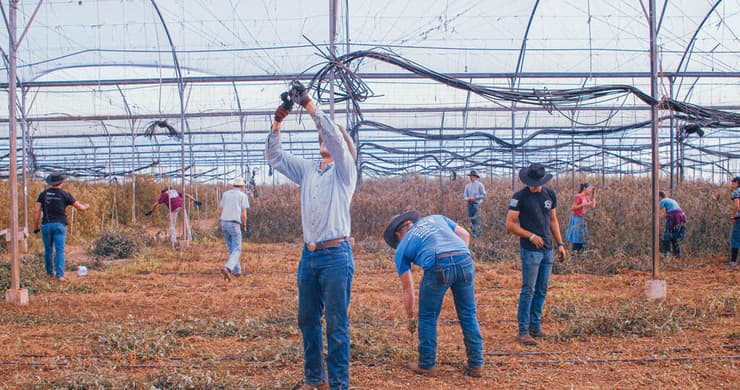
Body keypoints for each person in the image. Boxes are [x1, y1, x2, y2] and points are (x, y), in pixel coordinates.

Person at [265, 81, 357, 390]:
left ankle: (339, 385)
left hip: (335, 256)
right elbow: (275, 158)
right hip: (310, 255)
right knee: (307, 320)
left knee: (336, 326)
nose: (324, 139)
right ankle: (314, 379)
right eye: (320, 137)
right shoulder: (307, 170)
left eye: (328, 138)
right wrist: (278, 121)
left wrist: (310, 105)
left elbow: (335, 137)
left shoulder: (344, 171)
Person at [383, 210, 484, 378]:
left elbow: (407, 288)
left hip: (438, 263)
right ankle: (476, 364)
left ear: (398, 234)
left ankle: (427, 364)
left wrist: (410, 317)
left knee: (428, 316)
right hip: (464, 259)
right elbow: (464, 234)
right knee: (468, 313)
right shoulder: (436, 218)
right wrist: (457, 258)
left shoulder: (402, 247)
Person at [505, 163, 567, 346]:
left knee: (541, 289)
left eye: (536, 182)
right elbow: (510, 224)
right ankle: (523, 330)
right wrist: (530, 236)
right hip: (531, 250)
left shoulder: (549, 195)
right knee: (528, 289)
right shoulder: (520, 197)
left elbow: (553, 220)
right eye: (530, 182)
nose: (533, 185)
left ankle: (535, 326)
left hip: (547, 249)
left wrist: (560, 243)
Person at [32, 171, 90, 281]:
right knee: (59, 251)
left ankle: (49, 274)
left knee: (48, 250)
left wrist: (36, 227)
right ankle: (60, 276)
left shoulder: (43, 194)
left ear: (50, 182)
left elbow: (36, 211)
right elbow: (80, 208)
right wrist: (87, 206)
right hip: (59, 225)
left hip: (46, 225)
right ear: (61, 182)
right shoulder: (65, 194)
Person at [219, 177, 250, 280]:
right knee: (237, 249)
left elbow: (222, 209)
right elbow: (244, 214)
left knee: (232, 249)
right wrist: (244, 225)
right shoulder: (242, 196)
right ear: (242, 186)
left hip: (224, 222)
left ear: (233, 185)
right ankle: (228, 268)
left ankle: (237, 271)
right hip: (234, 223)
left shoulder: (225, 194)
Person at [565, 183, 596, 255]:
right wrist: (583, 205)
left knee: (582, 238)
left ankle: (579, 256)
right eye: (590, 189)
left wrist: (594, 195)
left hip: (583, 219)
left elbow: (593, 206)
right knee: (577, 238)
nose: (590, 190)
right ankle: (574, 256)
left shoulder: (586, 197)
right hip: (576, 219)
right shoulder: (578, 196)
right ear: (585, 188)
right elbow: (573, 208)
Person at [658, 191, 686, 258]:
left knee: (666, 234)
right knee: (675, 235)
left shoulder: (662, 201)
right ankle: (677, 254)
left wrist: (665, 219)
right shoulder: (672, 200)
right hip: (681, 216)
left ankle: (667, 254)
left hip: (673, 216)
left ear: (659, 196)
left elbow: (665, 213)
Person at [463, 170, 486, 238]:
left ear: (476, 177)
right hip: (470, 204)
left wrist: (476, 198)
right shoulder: (467, 186)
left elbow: (484, 195)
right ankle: (473, 234)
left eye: (472, 176)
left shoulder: (480, 185)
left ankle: (478, 235)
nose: (471, 177)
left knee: (477, 219)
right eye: (470, 176)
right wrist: (468, 199)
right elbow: (464, 196)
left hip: (476, 204)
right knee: (471, 219)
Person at [730, 176, 740, 268]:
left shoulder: (736, 192)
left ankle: (733, 262)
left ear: (737, 182)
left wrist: (733, 216)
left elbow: (737, 206)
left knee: (735, 239)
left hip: (739, 218)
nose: (732, 185)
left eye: (733, 183)